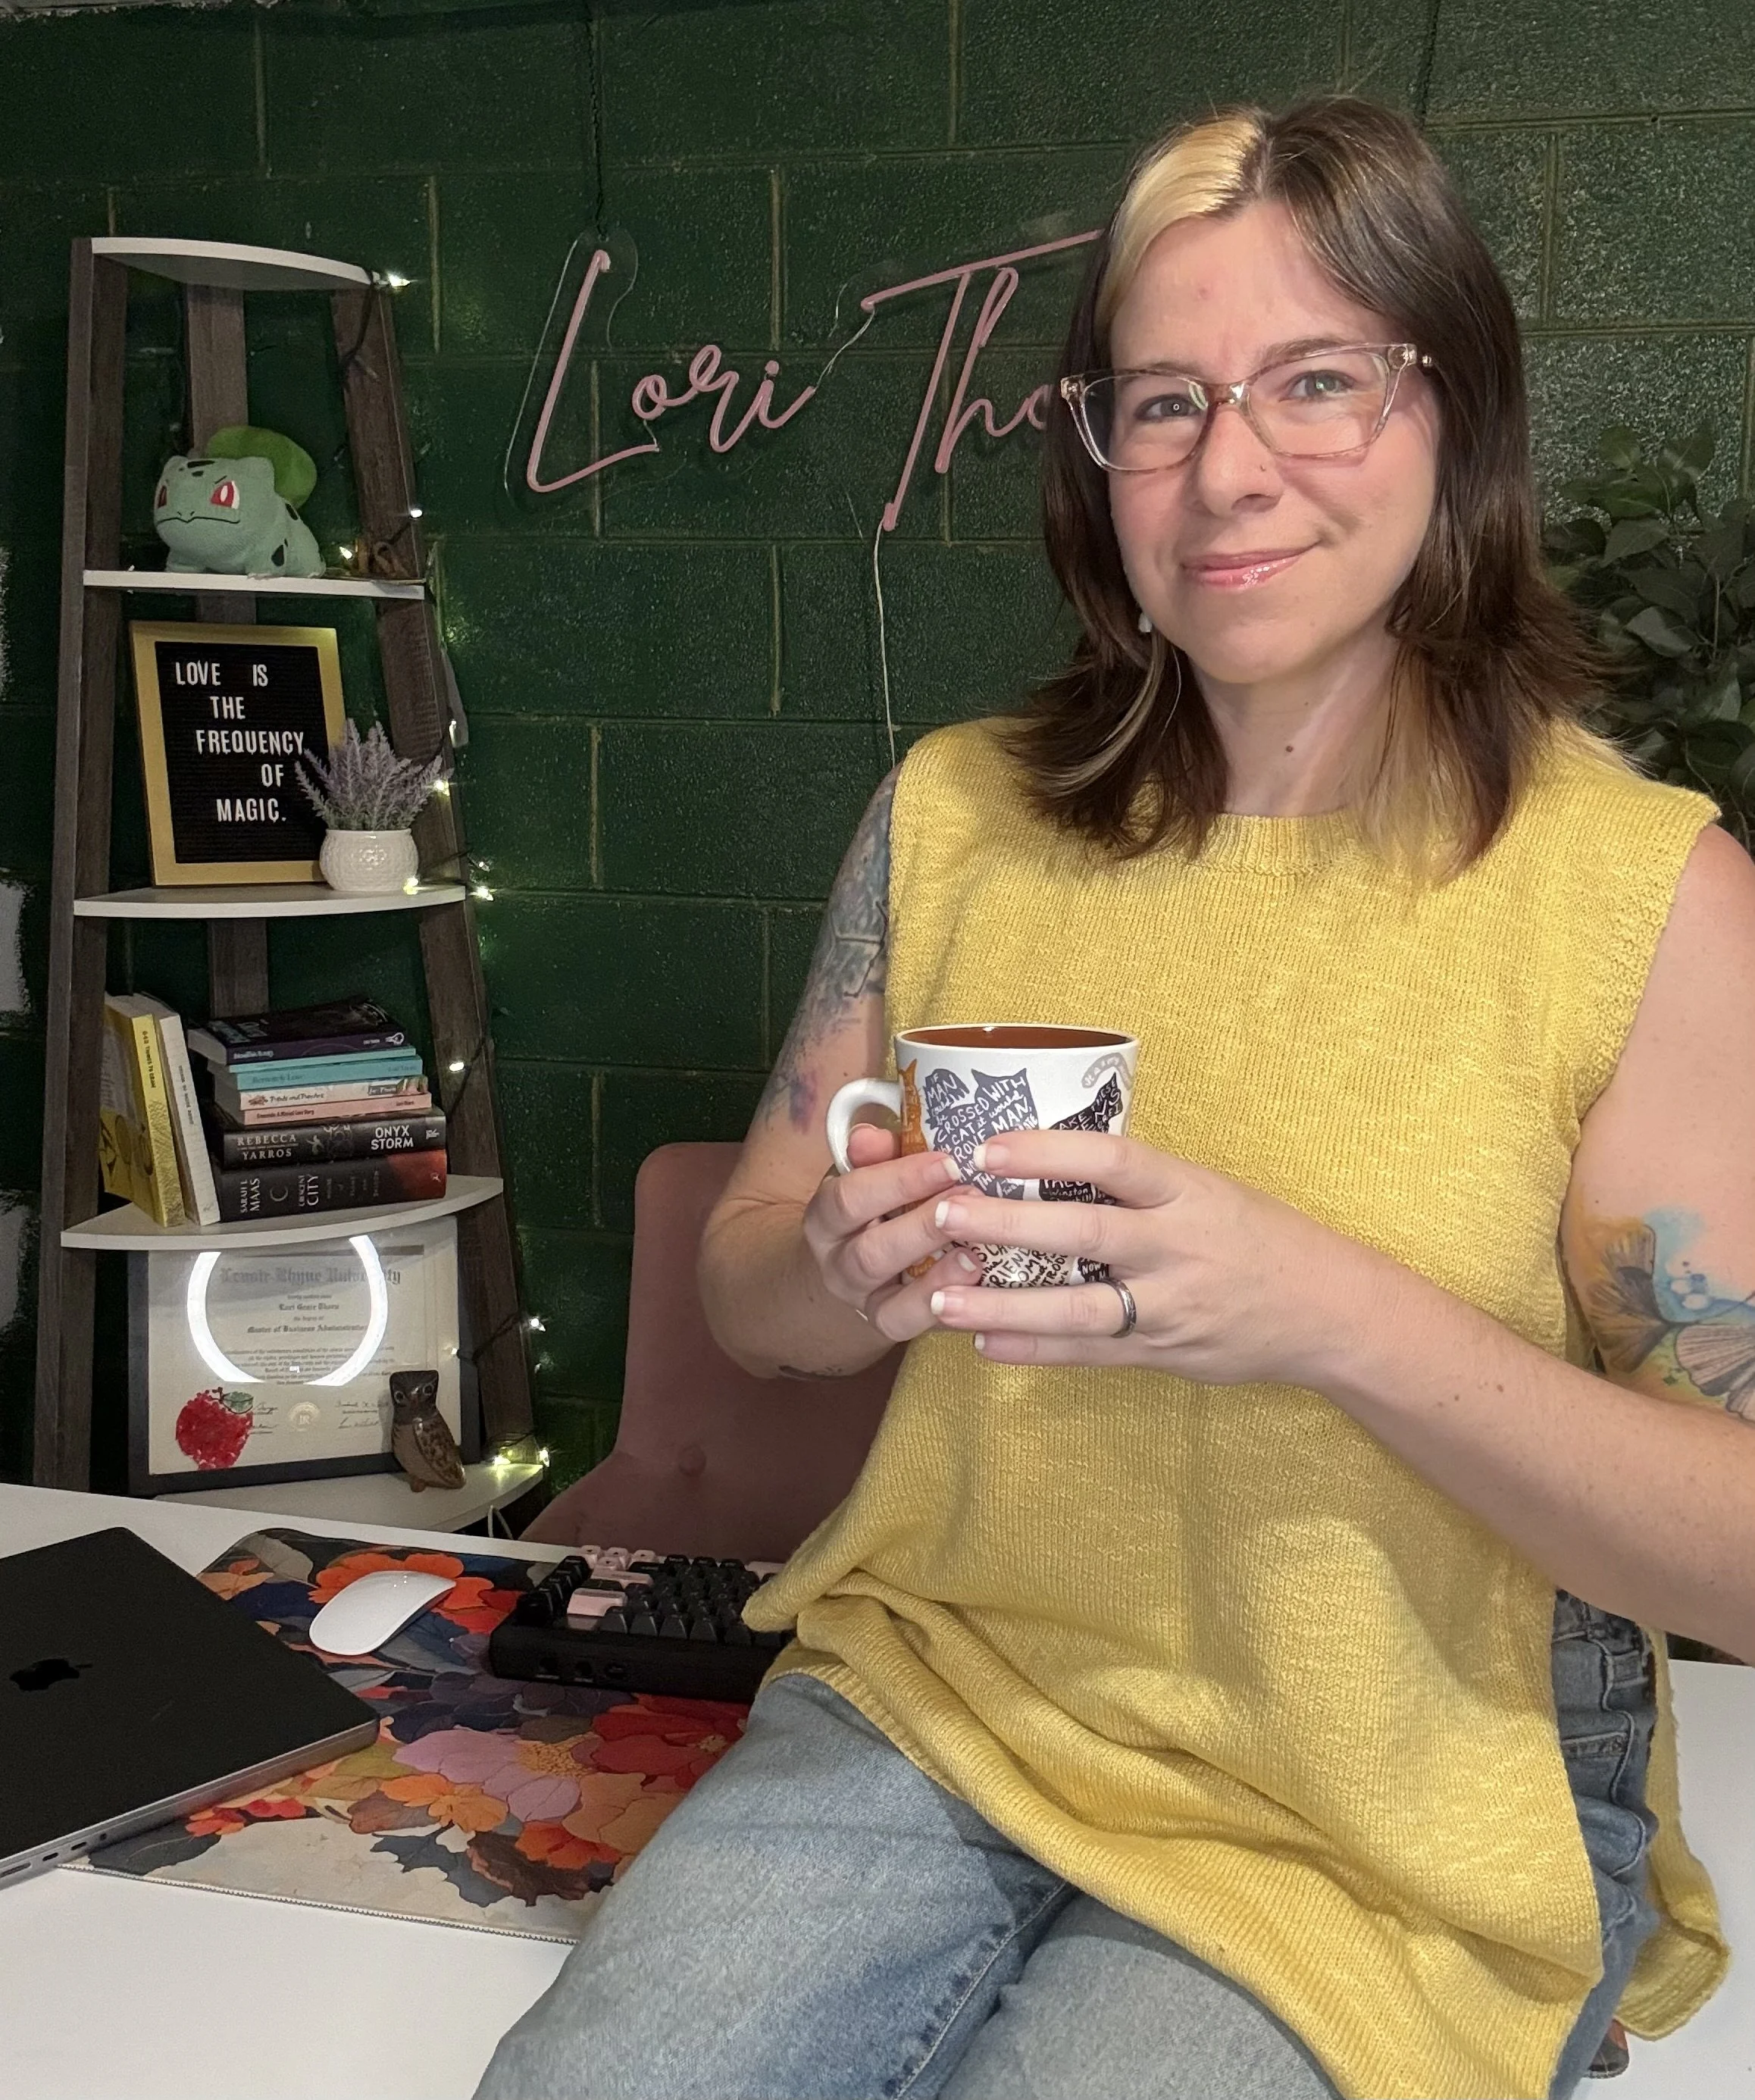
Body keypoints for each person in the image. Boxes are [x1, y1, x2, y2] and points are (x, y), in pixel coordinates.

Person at [476, 95, 1746, 2100]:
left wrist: (1321, 1317)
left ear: (1460, 416)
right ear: (1095, 461)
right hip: (940, 1696)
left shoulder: (1635, 896)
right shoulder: (956, 818)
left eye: (1315, 380)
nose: (1226, 469)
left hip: (1381, 1813)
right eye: (1158, 403)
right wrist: (835, 1267)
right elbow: (746, 1290)